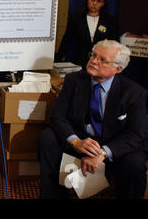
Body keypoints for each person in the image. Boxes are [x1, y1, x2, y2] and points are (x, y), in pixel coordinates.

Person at [39, 39, 148, 199]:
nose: (94, 61)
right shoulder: (73, 80)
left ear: (117, 68)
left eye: (102, 60)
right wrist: (75, 141)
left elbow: (136, 134)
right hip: (83, 139)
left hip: (115, 144)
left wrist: (103, 153)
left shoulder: (134, 92)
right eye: (93, 55)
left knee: (134, 163)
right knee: (47, 137)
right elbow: (57, 116)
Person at [55, 0, 119, 67]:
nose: (95, 3)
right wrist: (57, 59)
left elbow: (115, 43)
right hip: (79, 61)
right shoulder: (76, 18)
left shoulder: (110, 21)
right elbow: (66, 40)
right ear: (87, 0)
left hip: (101, 63)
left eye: (99, 1)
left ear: (103, 4)